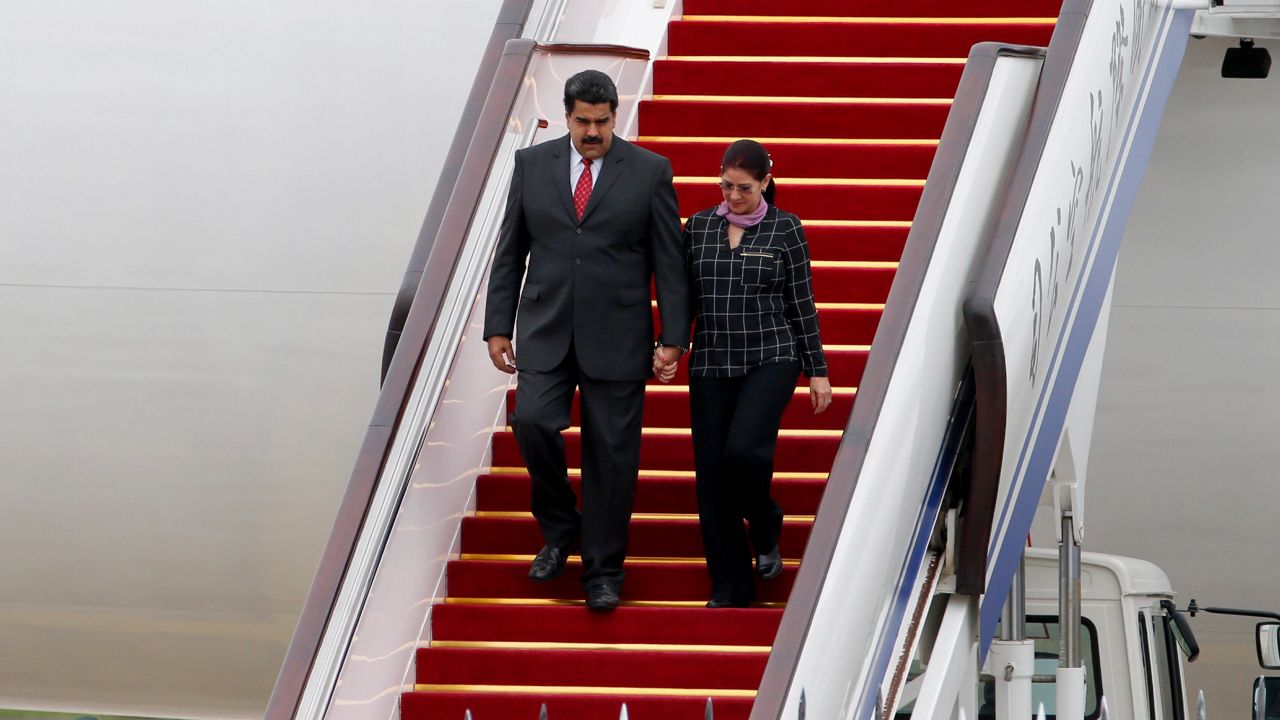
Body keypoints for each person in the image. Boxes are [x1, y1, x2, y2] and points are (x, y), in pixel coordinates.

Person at [484, 70, 690, 612]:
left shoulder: (649, 171)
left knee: (613, 457)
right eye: (583, 122)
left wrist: (673, 336)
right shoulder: (532, 165)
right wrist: (498, 325)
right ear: (568, 115)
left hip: (618, 336)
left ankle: (603, 571)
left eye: (602, 122)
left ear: (614, 116)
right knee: (531, 422)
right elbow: (511, 251)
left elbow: (669, 259)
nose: (593, 132)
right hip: (545, 328)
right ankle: (560, 527)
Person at [654, 139, 831, 608]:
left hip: (771, 355)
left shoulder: (786, 229)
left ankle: (766, 524)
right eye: (726, 186)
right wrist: (670, 345)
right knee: (711, 476)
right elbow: (684, 296)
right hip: (712, 359)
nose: (733, 197)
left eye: (745, 189)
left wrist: (817, 369)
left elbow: (801, 302)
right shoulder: (699, 229)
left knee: (744, 451)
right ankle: (730, 585)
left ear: (766, 184)